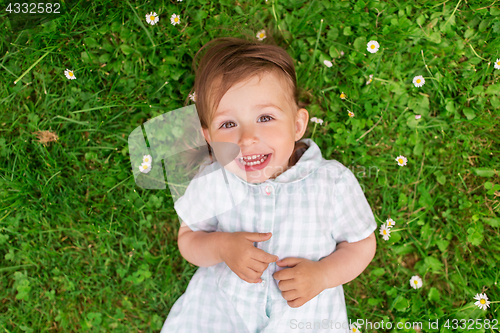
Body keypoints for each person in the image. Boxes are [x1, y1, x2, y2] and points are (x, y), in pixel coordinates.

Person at [161, 36, 377, 333]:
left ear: (298, 125)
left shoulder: (331, 182)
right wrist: (222, 246)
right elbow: (188, 239)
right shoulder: (214, 181)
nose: (247, 137)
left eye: (265, 117)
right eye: (228, 124)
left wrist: (323, 275)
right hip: (220, 315)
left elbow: (361, 243)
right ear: (210, 138)